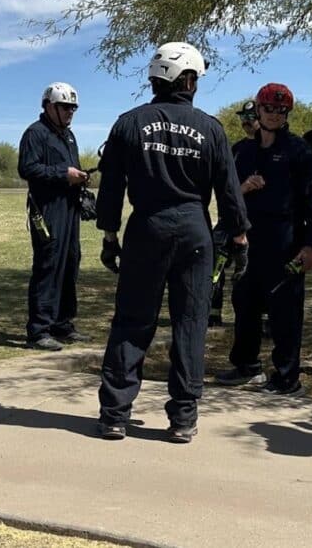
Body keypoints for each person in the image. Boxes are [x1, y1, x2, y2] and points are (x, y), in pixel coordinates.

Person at [95, 41, 250, 444]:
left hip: (146, 228)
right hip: (193, 231)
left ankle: (114, 414)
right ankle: (183, 417)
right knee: (190, 322)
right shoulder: (211, 129)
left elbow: (111, 186)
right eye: (195, 77)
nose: (196, 84)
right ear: (186, 79)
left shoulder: (129, 123)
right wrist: (239, 234)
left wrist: (110, 234)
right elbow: (229, 191)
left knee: (132, 319)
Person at [214, 83, 312, 395]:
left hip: (286, 240)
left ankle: (287, 377)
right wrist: (242, 189)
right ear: (257, 110)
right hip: (247, 241)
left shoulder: (298, 151)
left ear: (286, 114)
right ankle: (246, 365)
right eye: (269, 109)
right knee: (244, 302)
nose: (274, 115)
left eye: (280, 110)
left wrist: (311, 244)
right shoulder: (240, 151)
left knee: (285, 310)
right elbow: (224, 195)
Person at [18, 82, 92, 351]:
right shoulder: (35, 134)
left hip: (69, 207)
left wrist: (80, 178)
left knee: (70, 263)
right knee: (48, 265)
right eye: (65, 107)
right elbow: (28, 168)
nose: (70, 112)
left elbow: (71, 168)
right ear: (49, 106)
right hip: (47, 209)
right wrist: (63, 174)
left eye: (73, 108)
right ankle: (39, 330)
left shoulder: (68, 136)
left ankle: (63, 323)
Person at [209, 100, 262, 327]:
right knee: (215, 266)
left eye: (251, 117)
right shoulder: (236, 150)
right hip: (230, 220)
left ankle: (255, 316)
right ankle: (213, 312)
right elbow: (225, 188)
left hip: (257, 222)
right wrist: (243, 188)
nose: (246, 122)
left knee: (251, 271)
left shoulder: (272, 149)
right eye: (243, 118)